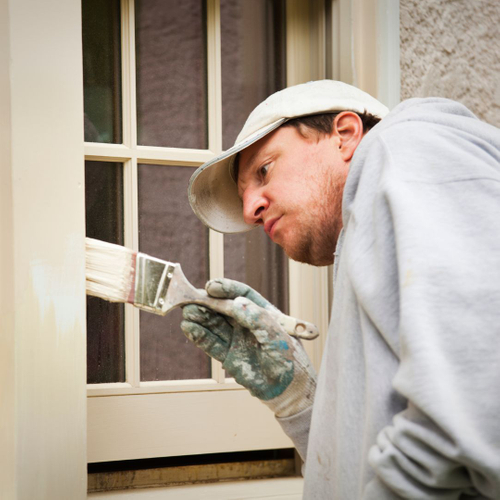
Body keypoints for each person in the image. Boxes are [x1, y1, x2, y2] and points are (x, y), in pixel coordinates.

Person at [181, 80, 500, 499]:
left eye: (264, 170)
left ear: (345, 135)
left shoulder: (411, 148)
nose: (250, 210)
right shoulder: (372, 218)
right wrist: (302, 405)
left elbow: (477, 403)